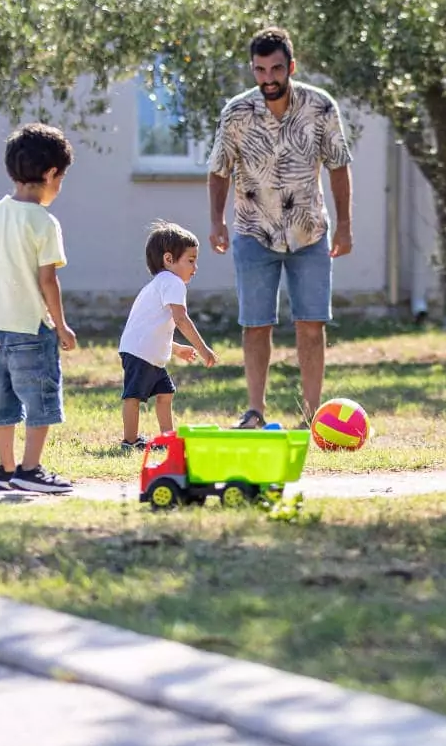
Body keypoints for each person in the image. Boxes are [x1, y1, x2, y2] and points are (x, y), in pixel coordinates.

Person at [207, 26, 354, 429]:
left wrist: (345, 227)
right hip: (254, 231)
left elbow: (339, 165)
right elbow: (219, 170)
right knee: (256, 325)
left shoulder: (320, 106)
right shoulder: (236, 112)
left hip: (309, 232)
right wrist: (216, 222)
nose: (268, 79)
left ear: (290, 66)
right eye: (259, 70)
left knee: (311, 324)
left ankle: (311, 416)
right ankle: (255, 410)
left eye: (275, 69)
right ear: (252, 70)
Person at [0, 124, 78, 494]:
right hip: (30, 327)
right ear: (49, 175)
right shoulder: (44, 222)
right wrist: (61, 325)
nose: (60, 188)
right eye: (61, 179)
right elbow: (48, 281)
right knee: (40, 396)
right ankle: (30, 470)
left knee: (3, 398)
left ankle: (4, 469)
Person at [117, 222, 218, 450]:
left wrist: (177, 348)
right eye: (191, 260)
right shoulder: (172, 283)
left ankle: (168, 439)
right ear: (169, 259)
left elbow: (150, 329)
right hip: (140, 354)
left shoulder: (159, 284)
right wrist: (203, 349)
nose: (196, 267)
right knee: (133, 397)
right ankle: (130, 441)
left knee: (165, 393)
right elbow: (181, 319)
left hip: (143, 350)